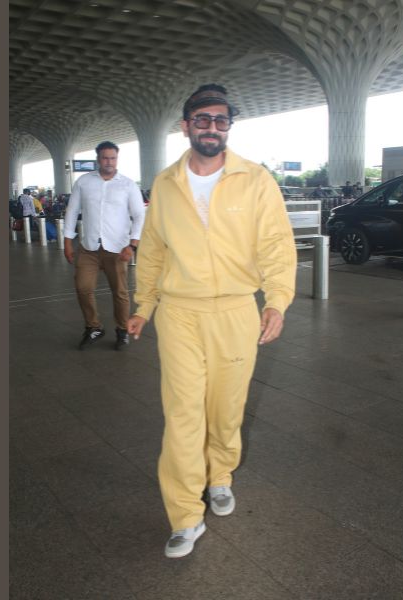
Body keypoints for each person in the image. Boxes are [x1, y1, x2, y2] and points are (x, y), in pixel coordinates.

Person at [127, 84, 297, 558]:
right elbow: (153, 249)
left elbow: (276, 245)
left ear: (228, 128)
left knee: (225, 409)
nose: (212, 128)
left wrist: (276, 301)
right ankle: (185, 515)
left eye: (221, 120)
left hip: (236, 311)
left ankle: (219, 474)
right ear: (186, 126)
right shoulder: (165, 183)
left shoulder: (255, 179)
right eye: (202, 119)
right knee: (183, 414)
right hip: (180, 313)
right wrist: (143, 306)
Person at [63, 141, 146, 351]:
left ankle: (122, 330)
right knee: (83, 287)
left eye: (113, 158)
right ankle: (94, 327)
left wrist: (132, 245)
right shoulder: (83, 182)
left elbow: (139, 215)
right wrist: (67, 241)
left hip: (117, 248)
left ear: (117, 159)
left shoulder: (128, 185)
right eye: (105, 158)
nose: (109, 162)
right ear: (98, 159)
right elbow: (72, 211)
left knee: (119, 292)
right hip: (89, 247)